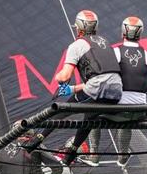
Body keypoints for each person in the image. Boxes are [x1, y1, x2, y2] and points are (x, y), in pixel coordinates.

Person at [34, 10, 123, 165]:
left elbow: (65, 76)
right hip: (116, 91)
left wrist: (58, 78)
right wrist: (74, 88)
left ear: (80, 28)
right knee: (89, 116)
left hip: (97, 87)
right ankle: (70, 155)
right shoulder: (105, 42)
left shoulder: (77, 45)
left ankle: (37, 139)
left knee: (63, 109)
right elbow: (104, 75)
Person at [112, 16, 147, 165]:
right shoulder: (146, 55)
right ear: (140, 34)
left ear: (123, 32)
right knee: (126, 121)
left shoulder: (116, 51)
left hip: (120, 108)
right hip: (140, 109)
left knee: (91, 115)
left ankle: (94, 155)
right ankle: (123, 156)